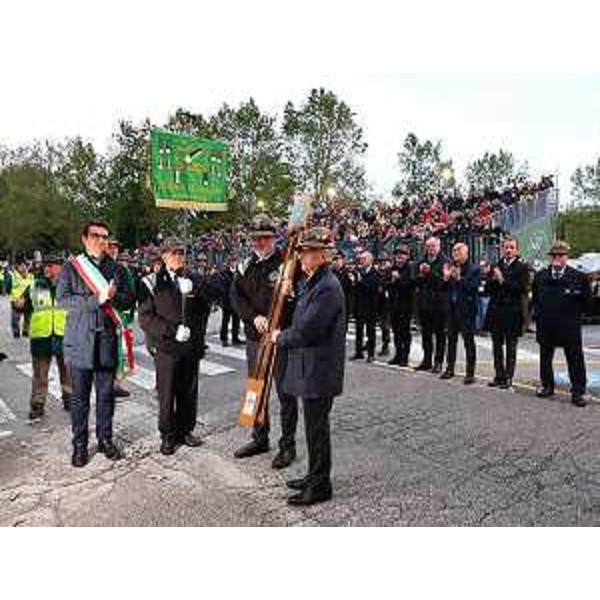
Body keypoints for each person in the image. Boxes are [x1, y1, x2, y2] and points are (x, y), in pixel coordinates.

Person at [271, 227, 346, 506]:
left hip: (319, 369)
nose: (301, 256)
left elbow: (307, 331)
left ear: (323, 255)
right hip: (312, 367)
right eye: (302, 251)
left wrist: (279, 337)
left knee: (317, 430)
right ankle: (314, 476)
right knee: (314, 427)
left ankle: (320, 485)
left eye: (307, 252)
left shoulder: (327, 286)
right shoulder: (315, 281)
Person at [57, 220, 135, 467]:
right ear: (84, 239)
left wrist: (115, 297)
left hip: (107, 342)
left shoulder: (117, 268)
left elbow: (128, 300)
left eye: (104, 236)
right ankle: (80, 446)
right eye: (95, 235)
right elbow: (63, 301)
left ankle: (105, 440)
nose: (101, 240)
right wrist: (97, 299)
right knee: (80, 400)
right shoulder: (71, 267)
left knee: (105, 397)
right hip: (80, 342)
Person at [230, 213, 299, 469]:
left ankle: (287, 445)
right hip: (255, 337)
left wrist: (292, 293)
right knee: (256, 390)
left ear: (274, 238)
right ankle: (259, 437)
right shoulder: (244, 265)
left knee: (286, 393)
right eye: (256, 238)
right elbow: (236, 297)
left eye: (265, 238)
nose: (259, 242)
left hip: (280, 336)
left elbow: (302, 294)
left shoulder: (288, 263)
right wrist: (252, 317)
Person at [139, 239, 214, 454]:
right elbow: (146, 318)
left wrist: (196, 290)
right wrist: (172, 331)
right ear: (164, 256)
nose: (178, 257)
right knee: (167, 393)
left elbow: (208, 303)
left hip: (190, 346)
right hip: (166, 347)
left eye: (181, 253)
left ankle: (185, 430)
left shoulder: (193, 278)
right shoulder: (151, 282)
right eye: (174, 253)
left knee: (188, 392)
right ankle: (167, 435)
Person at [532, 241, 591, 407]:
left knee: (575, 359)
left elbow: (587, 303)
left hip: (569, 326)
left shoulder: (579, 277)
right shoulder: (541, 276)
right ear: (550, 257)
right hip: (546, 324)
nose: (557, 258)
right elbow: (536, 299)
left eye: (561, 255)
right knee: (545, 357)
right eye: (554, 255)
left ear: (567, 256)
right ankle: (547, 386)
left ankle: (578, 391)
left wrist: (574, 315)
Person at [27, 254, 73, 420]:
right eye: (46, 265)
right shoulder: (35, 285)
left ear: (61, 268)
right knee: (40, 374)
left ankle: (70, 400)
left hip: (65, 336)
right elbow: (24, 307)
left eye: (51, 265)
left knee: (67, 373)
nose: (47, 268)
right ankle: (37, 405)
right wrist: (17, 305)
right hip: (41, 337)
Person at [485, 237, 529, 389]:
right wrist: (490, 278)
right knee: (496, 346)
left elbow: (522, 289)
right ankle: (499, 375)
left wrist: (502, 280)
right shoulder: (496, 266)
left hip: (512, 311)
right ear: (502, 249)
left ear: (517, 250)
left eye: (511, 247)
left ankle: (509, 377)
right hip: (496, 310)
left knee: (511, 346)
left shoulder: (522, 267)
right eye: (506, 247)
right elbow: (488, 290)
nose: (508, 250)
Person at [440, 242, 480, 384]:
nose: (455, 253)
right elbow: (443, 289)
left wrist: (459, 279)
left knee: (468, 342)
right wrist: (445, 278)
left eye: (458, 250)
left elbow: (472, 288)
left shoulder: (474, 269)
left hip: (466, 310)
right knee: (451, 341)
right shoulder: (450, 267)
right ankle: (449, 368)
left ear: (466, 253)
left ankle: (470, 373)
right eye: (454, 250)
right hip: (452, 310)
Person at [414, 237, 451, 373]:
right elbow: (415, 282)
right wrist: (421, 275)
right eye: (428, 246)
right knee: (426, 334)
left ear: (439, 247)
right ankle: (427, 360)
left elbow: (443, 283)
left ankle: (438, 362)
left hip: (439, 304)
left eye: (433, 246)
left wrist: (429, 273)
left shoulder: (446, 262)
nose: (431, 249)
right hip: (424, 304)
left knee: (440, 334)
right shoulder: (420, 261)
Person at [350, 250, 381, 363]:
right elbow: (355, 289)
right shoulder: (358, 272)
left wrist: (360, 281)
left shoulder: (375, 273)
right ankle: (358, 352)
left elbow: (372, 288)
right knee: (359, 330)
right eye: (361, 259)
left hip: (370, 306)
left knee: (370, 331)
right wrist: (354, 282)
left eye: (364, 259)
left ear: (370, 260)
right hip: (359, 305)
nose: (361, 261)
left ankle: (371, 354)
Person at [387, 245, 415, 366]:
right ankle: (398, 355)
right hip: (394, 305)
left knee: (405, 332)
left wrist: (398, 279)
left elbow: (410, 285)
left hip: (406, 305)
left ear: (407, 256)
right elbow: (386, 283)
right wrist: (392, 281)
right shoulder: (392, 268)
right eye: (397, 255)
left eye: (402, 255)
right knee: (396, 332)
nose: (399, 257)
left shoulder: (410, 268)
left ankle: (405, 356)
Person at [217, 254, 243, 346]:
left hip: (236, 301)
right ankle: (224, 339)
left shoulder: (238, 272)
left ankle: (235, 338)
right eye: (232, 261)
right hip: (227, 301)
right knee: (225, 321)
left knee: (236, 320)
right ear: (229, 262)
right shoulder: (223, 272)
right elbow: (223, 286)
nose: (234, 263)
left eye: (235, 261)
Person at [10, 262, 34, 338]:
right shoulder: (13, 276)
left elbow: (32, 288)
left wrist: (25, 298)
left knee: (28, 318)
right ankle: (16, 332)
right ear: (18, 267)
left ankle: (25, 331)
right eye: (21, 266)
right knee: (15, 319)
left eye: (24, 266)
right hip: (16, 300)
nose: (23, 268)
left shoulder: (31, 277)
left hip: (28, 300)